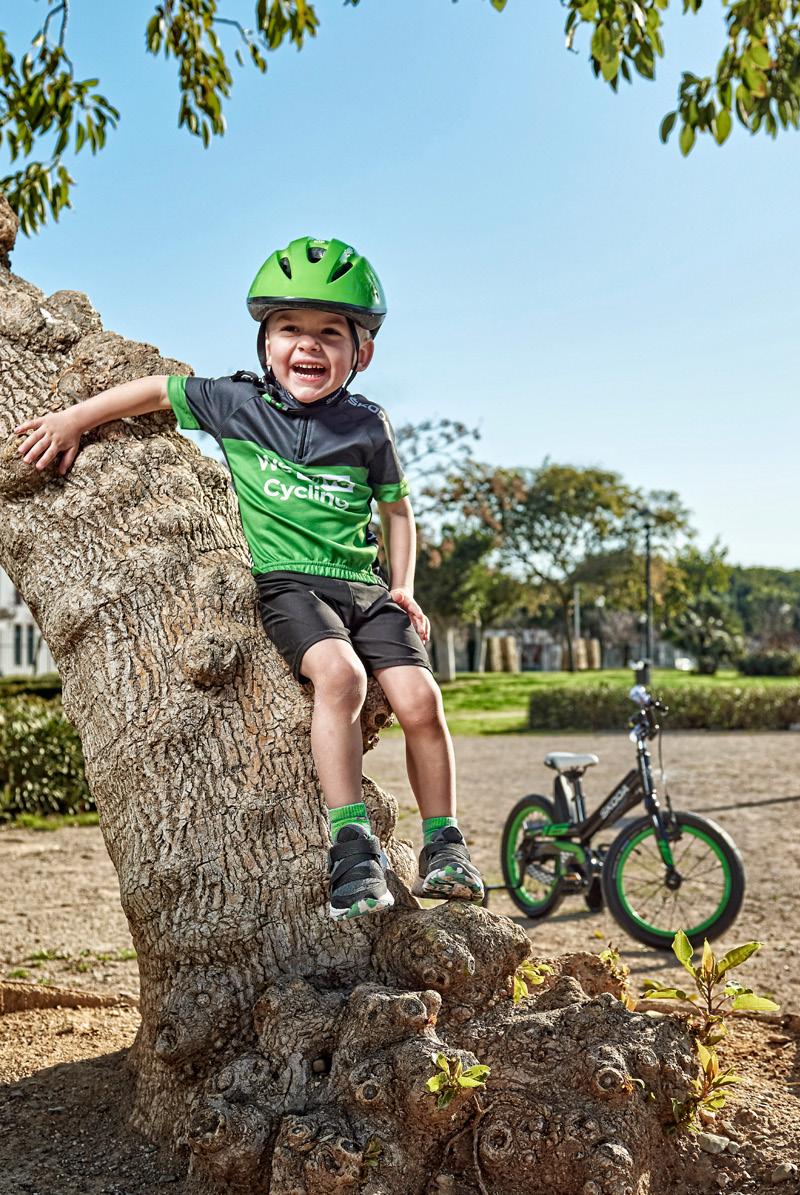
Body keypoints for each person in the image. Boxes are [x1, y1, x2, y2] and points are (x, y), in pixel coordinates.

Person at [14, 235, 485, 921]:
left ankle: (445, 843)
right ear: (266, 342)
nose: (308, 345)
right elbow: (155, 390)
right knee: (343, 678)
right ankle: (350, 841)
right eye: (290, 328)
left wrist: (405, 586)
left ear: (363, 353)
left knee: (420, 701)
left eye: (330, 332)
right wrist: (73, 419)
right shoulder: (239, 405)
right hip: (292, 586)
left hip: (366, 589)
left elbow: (398, 511)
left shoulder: (366, 425)